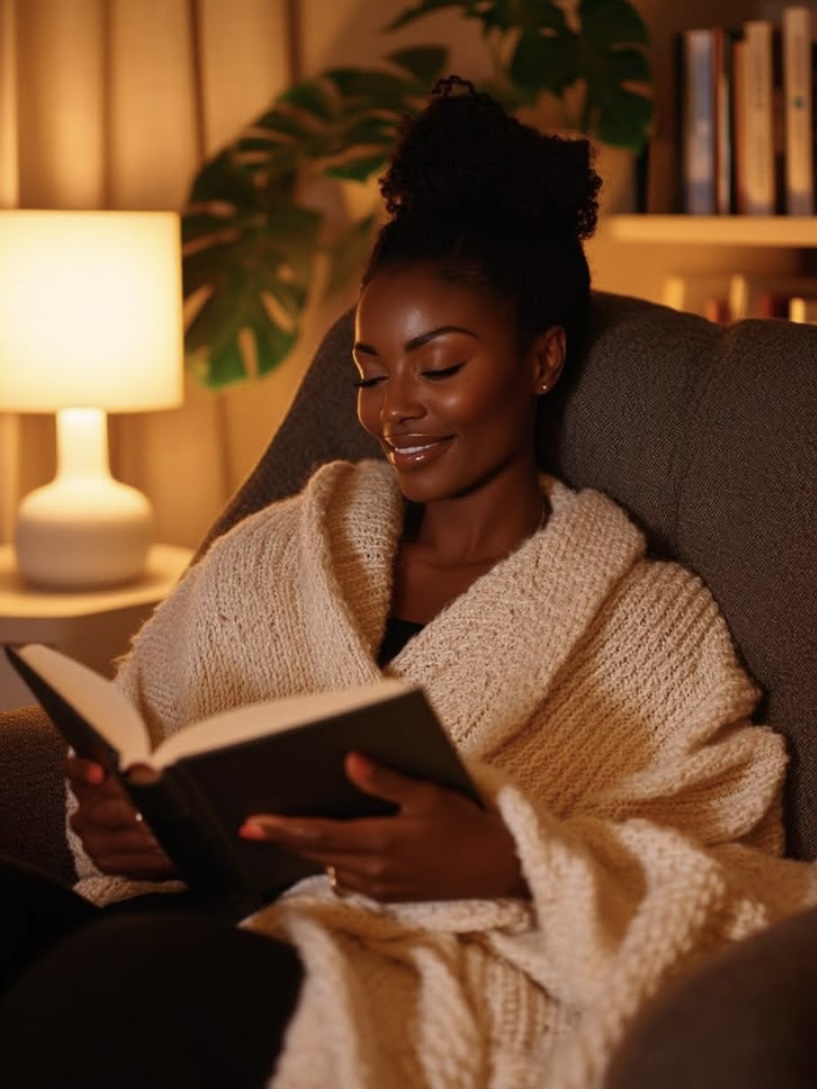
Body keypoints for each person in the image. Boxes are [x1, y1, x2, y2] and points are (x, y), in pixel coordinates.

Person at [0, 76, 815, 1089]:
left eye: (438, 367)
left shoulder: (646, 625)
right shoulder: (277, 553)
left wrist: (516, 864)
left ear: (542, 359)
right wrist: (119, 827)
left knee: (116, 987)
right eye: (370, 369)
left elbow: (746, 893)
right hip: (187, 921)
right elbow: (150, 737)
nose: (394, 410)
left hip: (384, 974)